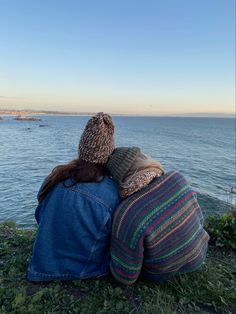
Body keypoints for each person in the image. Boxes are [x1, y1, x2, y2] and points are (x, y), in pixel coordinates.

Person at [27, 113, 120, 281]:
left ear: (81, 150)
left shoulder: (54, 179)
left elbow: (39, 216)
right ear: (108, 156)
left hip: (41, 267)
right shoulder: (113, 192)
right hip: (87, 271)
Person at [106, 147, 209, 285]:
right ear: (143, 159)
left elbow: (125, 276)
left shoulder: (127, 212)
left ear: (117, 178)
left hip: (161, 273)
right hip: (199, 254)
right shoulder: (177, 178)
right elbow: (199, 218)